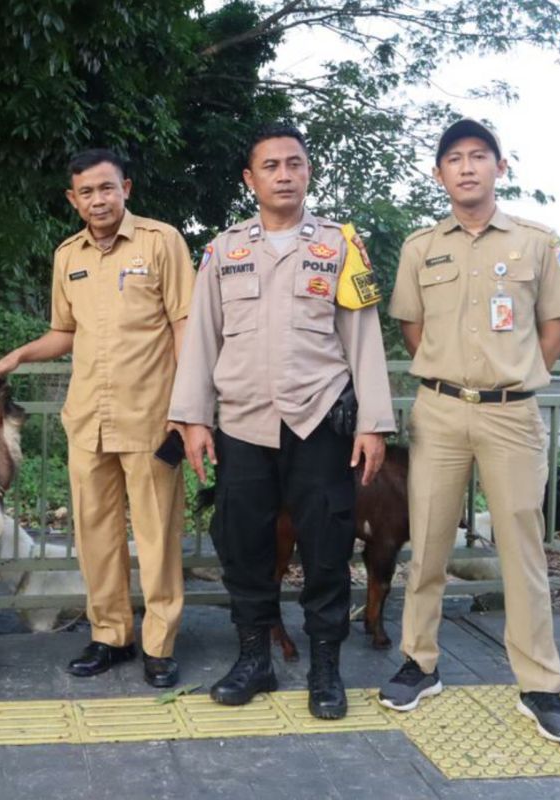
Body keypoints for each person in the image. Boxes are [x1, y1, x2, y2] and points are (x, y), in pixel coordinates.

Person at [170, 123, 395, 720]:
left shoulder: (340, 248)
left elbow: (362, 336)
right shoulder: (223, 250)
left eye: (294, 163)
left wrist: (373, 420)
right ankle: (254, 660)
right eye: (270, 166)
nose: (284, 174)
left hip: (319, 422)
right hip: (242, 425)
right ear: (251, 179)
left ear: (309, 172)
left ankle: (326, 667)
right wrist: (193, 419)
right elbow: (201, 338)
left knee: (326, 547)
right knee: (243, 547)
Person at [378, 119, 560, 743]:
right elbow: (413, 331)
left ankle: (540, 684)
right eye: (454, 160)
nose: (466, 168)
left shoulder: (536, 244)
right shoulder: (420, 248)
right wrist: (454, 380)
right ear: (439, 174)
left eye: (478, 157)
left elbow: (555, 330)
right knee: (430, 542)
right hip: (439, 412)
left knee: (522, 548)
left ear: (500, 167)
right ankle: (420, 661)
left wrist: (513, 379)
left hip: (511, 414)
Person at [0, 149, 194, 688]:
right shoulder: (66, 255)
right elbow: (65, 332)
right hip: (88, 420)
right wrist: (18, 356)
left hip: (151, 417)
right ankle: (111, 635)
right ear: (73, 200)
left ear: (127, 189)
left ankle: (159, 643)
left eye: (107, 188)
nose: (99, 200)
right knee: (94, 534)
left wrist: (187, 410)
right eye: (87, 192)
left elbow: (186, 325)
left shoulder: (161, 242)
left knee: (158, 535)